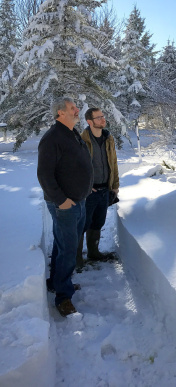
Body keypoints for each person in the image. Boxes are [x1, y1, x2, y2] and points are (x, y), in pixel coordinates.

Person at [37, 97, 93, 317]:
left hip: (78, 201)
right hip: (64, 204)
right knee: (68, 248)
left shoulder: (71, 133)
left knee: (63, 245)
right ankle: (63, 297)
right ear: (60, 113)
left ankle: (57, 282)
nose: (77, 110)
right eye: (72, 108)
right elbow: (44, 174)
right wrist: (61, 200)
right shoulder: (52, 138)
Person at [80, 107, 119, 263]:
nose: (103, 119)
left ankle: (93, 252)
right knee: (82, 225)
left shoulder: (108, 138)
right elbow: (76, 167)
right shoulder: (81, 140)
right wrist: (85, 186)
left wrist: (115, 185)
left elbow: (113, 163)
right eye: (98, 117)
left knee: (98, 223)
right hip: (88, 191)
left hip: (104, 189)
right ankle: (77, 259)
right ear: (89, 121)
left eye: (103, 116)